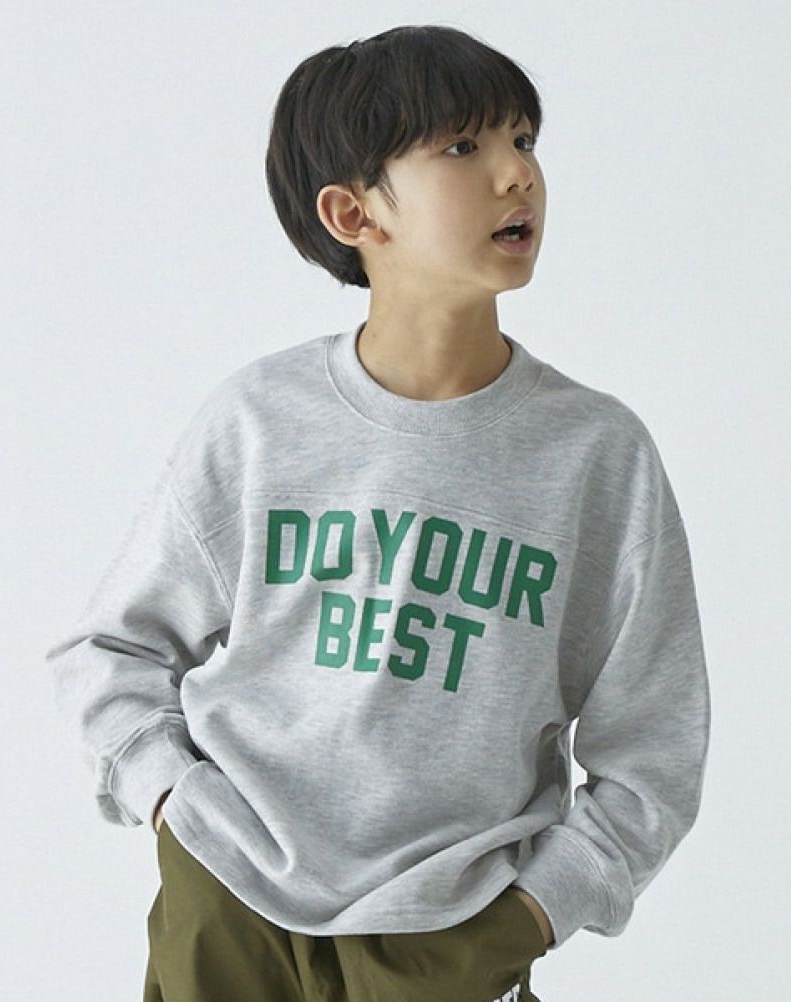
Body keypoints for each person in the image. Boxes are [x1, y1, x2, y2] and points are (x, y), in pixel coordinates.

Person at [45, 23, 711, 1002]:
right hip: (230, 899)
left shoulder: (596, 456)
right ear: (353, 211)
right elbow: (112, 650)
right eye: (464, 146)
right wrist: (173, 805)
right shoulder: (262, 423)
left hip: (451, 931)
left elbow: (653, 752)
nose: (517, 174)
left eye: (523, 139)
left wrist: (526, 918)